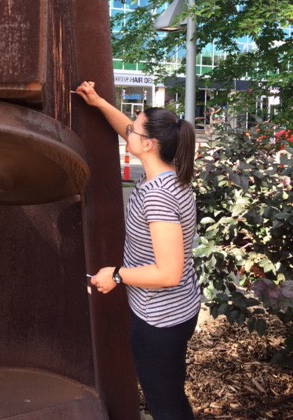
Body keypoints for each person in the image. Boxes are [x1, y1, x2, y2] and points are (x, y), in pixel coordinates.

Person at [75, 81, 201, 420]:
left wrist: (116, 275)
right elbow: (128, 129)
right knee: (170, 395)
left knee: (166, 406)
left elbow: (168, 273)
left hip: (160, 320)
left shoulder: (157, 196)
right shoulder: (171, 174)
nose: (126, 130)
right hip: (177, 309)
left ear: (147, 145)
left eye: (133, 129)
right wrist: (99, 102)